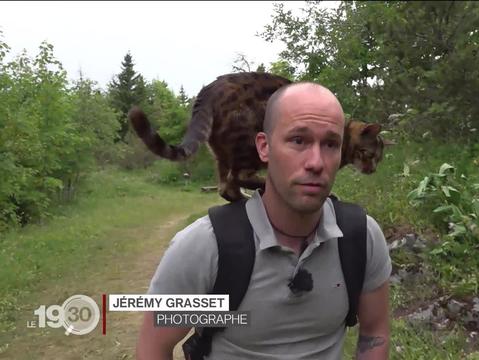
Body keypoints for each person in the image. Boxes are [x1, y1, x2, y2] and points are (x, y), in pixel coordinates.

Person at [136, 82, 392, 359]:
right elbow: (154, 347)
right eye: (298, 140)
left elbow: (375, 332)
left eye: (331, 144)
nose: (316, 162)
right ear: (264, 147)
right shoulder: (204, 246)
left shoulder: (361, 235)